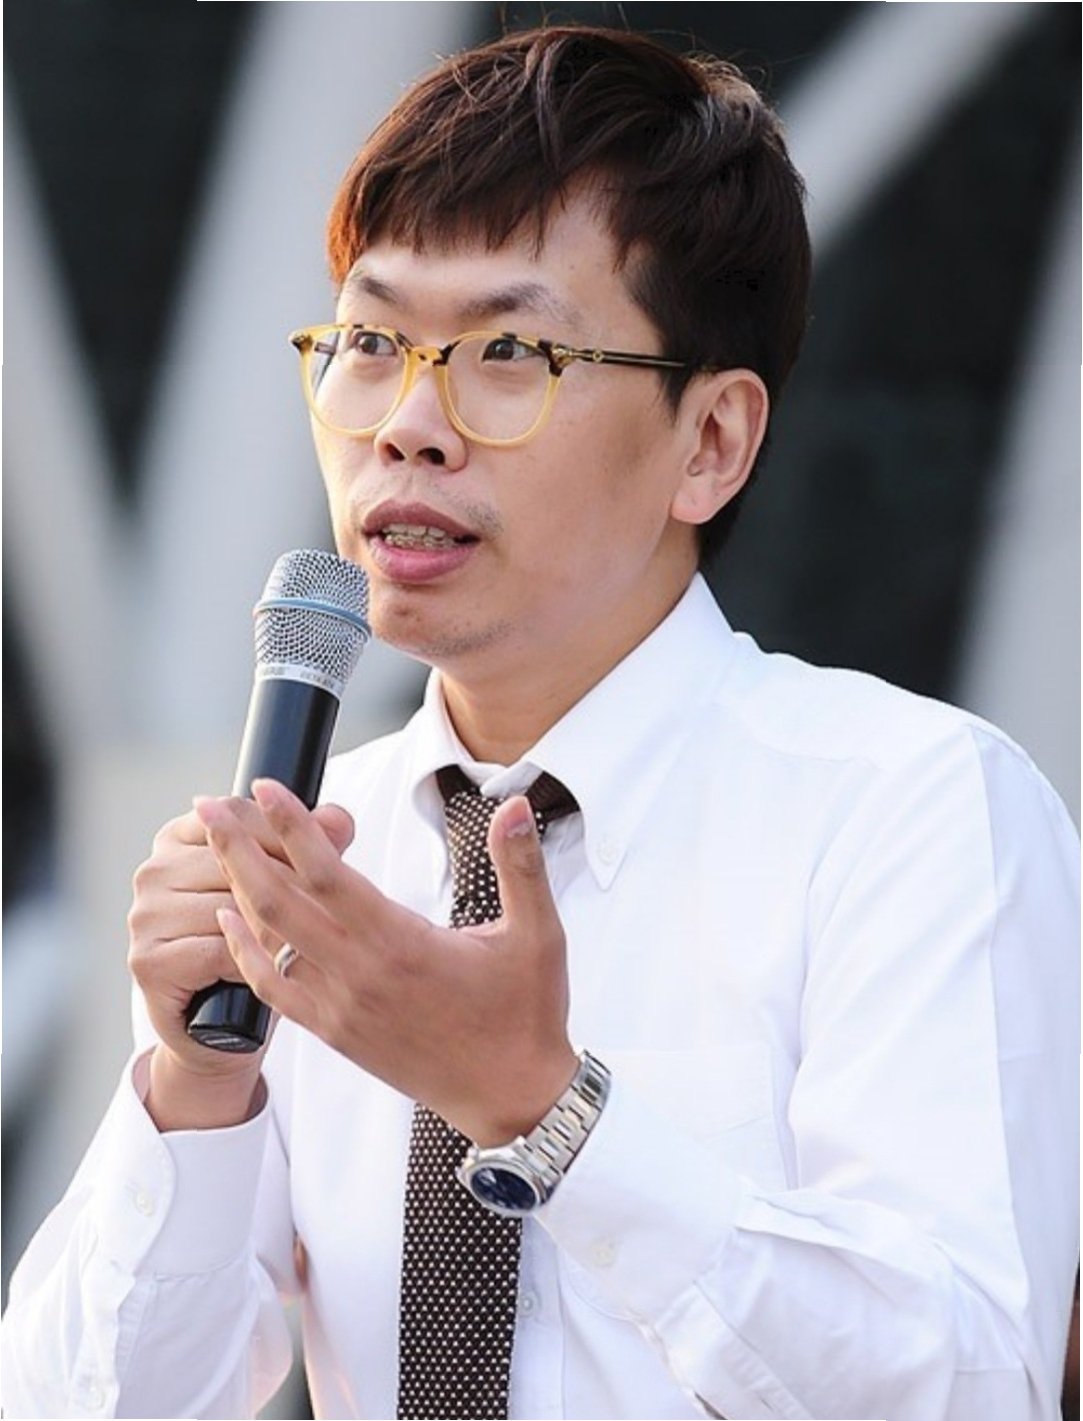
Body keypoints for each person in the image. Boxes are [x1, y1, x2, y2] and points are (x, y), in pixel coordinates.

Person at [2, 24, 1078, 1421]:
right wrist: (193, 1084)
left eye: (509, 350)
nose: (409, 423)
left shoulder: (912, 811)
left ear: (712, 442)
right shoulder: (320, 854)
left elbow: (973, 1384)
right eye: (371, 342)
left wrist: (546, 1111)